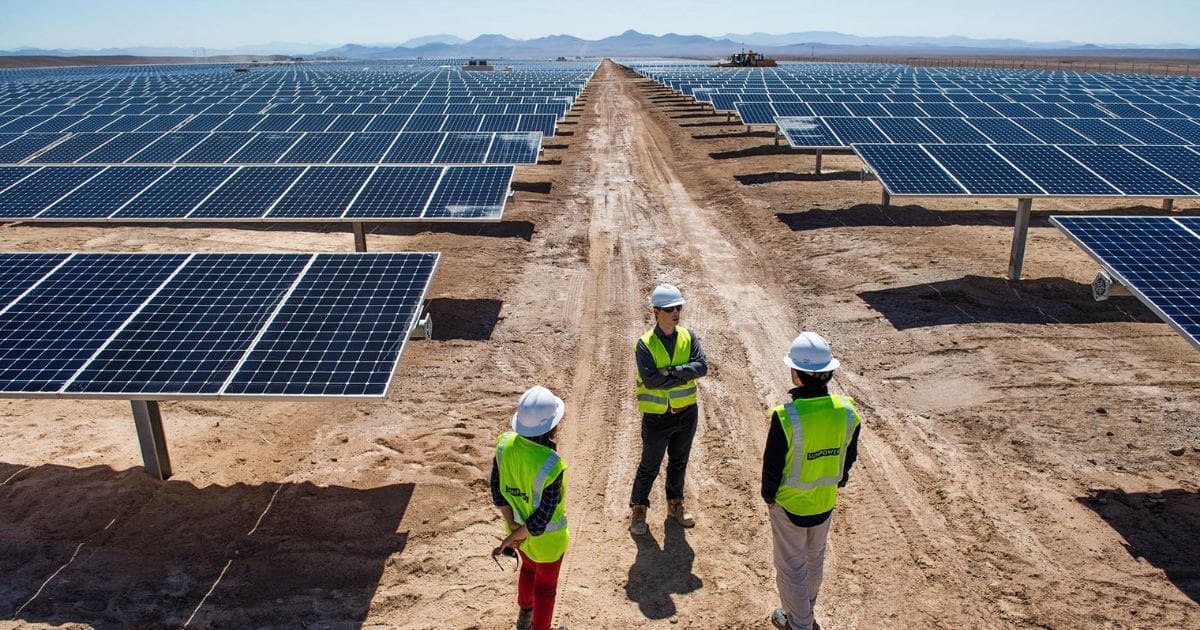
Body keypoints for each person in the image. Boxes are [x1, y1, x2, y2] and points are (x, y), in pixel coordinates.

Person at [762, 332, 862, 630]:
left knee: (791, 568)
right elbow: (848, 457)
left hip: (790, 505)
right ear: (828, 373)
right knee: (814, 560)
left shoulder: (786, 416)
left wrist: (769, 495)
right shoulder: (847, 411)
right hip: (824, 500)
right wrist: (836, 482)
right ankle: (803, 612)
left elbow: (772, 465)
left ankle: (800, 623)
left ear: (796, 374)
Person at [629, 283, 709, 535]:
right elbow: (651, 380)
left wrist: (671, 371)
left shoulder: (689, 336)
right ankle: (639, 509)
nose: (675, 313)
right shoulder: (644, 344)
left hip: (686, 413)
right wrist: (685, 373)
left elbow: (703, 367)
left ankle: (675, 505)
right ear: (655, 311)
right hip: (657, 416)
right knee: (649, 465)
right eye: (669, 309)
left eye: (678, 308)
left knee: (679, 462)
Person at [491, 386, 570, 630]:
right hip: (547, 541)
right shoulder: (551, 464)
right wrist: (516, 534)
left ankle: (524, 617)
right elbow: (541, 519)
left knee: (527, 570)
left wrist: (512, 529)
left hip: (518, 534)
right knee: (545, 589)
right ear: (552, 427)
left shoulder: (504, 445)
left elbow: (497, 491)